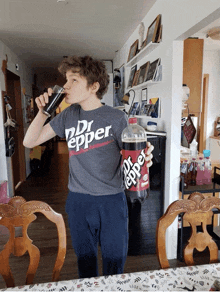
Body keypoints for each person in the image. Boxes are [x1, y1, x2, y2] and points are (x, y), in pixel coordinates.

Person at [23, 55, 154, 279]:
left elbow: (132, 155)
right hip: (78, 201)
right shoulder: (67, 116)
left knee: (114, 261)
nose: (65, 86)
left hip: (112, 200)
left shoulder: (116, 117)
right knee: (85, 261)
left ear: (94, 86)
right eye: (66, 80)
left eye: (74, 80)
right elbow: (29, 142)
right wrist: (43, 111)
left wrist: (145, 158)